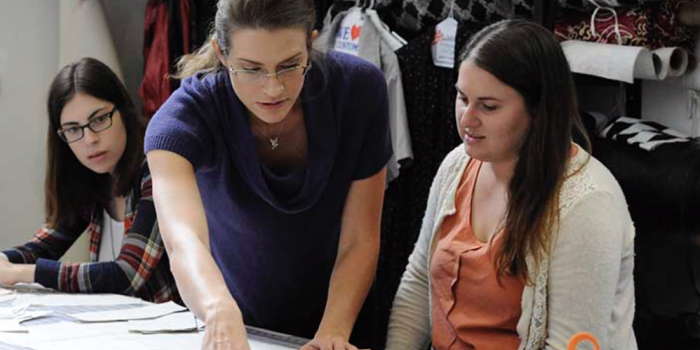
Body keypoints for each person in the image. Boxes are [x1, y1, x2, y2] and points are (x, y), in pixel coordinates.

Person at [144, 0, 392, 349]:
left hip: (343, 322)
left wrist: (333, 332)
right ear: (222, 53)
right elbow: (183, 240)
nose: (273, 88)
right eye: (251, 69)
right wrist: (217, 310)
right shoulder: (181, 121)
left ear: (312, 43)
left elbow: (360, 237)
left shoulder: (358, 91)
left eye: (290, 65)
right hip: (239, 328)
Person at [385, 19, 637, 350]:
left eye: (488, 106)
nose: (467, 118)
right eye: (462, 98)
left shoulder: (587, 203)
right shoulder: (457, 165)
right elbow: (419, 282)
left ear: (538, 110)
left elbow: (569, 343)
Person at [0, 58, 179, 303]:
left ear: (123, 112)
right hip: (117, 329)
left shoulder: (157, 168)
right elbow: (40, 249)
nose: (89, 139)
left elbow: (127, 275)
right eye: (73, 129)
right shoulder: (92, 178)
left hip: (173, 334)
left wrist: (21, 273)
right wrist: (4, 260)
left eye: (99, 119)